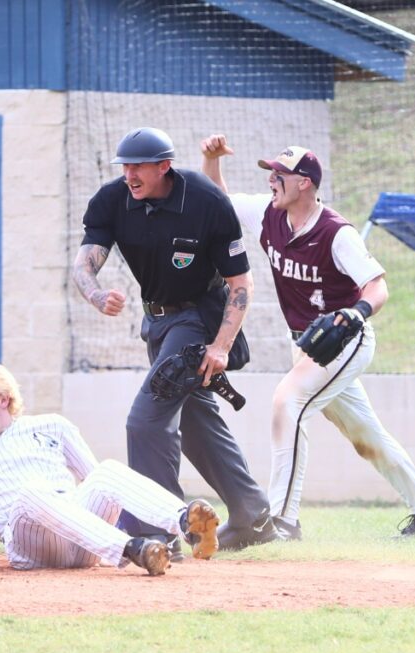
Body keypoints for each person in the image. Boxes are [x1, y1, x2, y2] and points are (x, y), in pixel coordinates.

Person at [200, 135, 415, 539]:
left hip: (345, 341)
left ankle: (282, 520)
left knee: (288, 403)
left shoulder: (337, 233)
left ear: (305, 183)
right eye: (271, 173)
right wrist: (211, 161)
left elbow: (378, 286)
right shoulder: (269, 214)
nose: (272, 181)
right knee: (365, 434)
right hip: (306, 344)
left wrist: (357, 313)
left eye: (280, 174)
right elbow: (220, 200)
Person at [71, 126, 276, 553]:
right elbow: (83, 265)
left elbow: (241, 281)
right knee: (196, 419)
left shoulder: (204, 200)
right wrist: (95, 294)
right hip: (158, 322)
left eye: (138, 166)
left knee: (145, 421)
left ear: (163, 166)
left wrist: (220, 346)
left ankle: (159, 530)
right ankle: (253, 515)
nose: (129, 174)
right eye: (124, 166)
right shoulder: (113, 200)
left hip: (198, 319)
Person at [0, 359, 222, 576]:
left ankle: (186, 524)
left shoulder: (52, 425)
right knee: (31, 493)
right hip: (31, 546)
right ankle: (134, 549)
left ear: (3, 398)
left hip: (83, 540)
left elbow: (98, 484)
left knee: (107, 470)